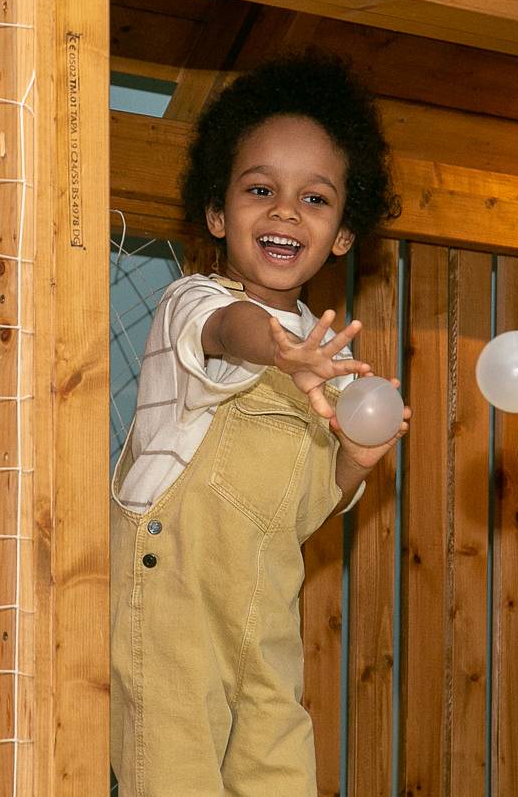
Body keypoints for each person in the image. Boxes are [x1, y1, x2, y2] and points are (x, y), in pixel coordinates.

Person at [110, 51, 406, 795]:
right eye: (260, 189)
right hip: (172, 593)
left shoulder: (327, 354)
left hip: (264, 609)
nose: (285, 211)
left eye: (314, 198)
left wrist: (357, 458)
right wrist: (281, 351)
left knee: (281, 772)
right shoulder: (196, 302)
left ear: (342, 234)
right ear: (218, 213)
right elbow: (231, 331)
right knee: (174, 774)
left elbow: (307, 508)